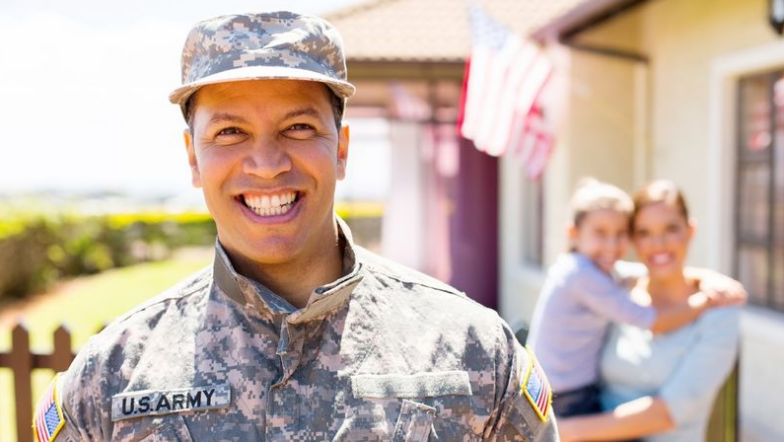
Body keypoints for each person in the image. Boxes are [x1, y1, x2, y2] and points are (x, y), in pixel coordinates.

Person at [31, 11, 559, 441]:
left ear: (342, 149)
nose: (266, 163)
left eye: (298, 127)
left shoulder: (475, 353)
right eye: (231, 132)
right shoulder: (109, 382)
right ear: (193, 158)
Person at [527, 179, 743, 418]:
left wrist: (706, 277)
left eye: (621, 234)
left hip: (565, 391)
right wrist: (705, 300)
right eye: (600, 233)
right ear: (573, 234)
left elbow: (647, 270)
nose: (612, 244)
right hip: (563, 397)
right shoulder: (580, 275)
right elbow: (653, 321)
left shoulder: (595, 271)